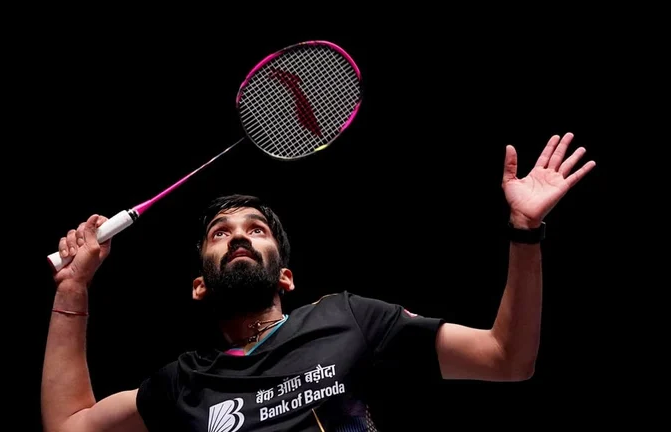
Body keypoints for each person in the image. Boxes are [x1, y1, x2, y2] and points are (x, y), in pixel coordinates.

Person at [41, 132, 595, 431]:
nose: (238, 237)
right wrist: (73, 289)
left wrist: (525, 234)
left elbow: (507, 357)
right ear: (199, 286)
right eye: (219, 233)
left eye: (255, 229)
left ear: (285, 274)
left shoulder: (348, 318)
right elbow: (69, 424)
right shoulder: (181, 386)